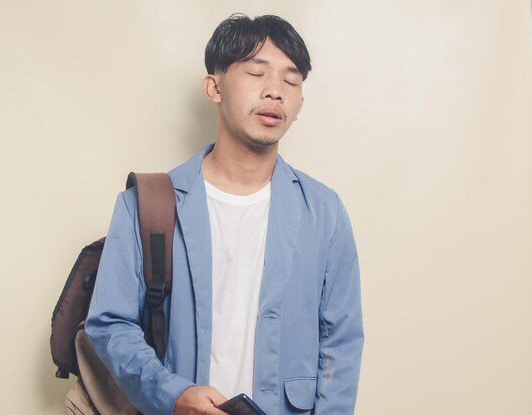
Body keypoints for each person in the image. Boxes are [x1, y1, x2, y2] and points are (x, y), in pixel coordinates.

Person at [86, 14, 363, 415]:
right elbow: (110, 323)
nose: (275, 92)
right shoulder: (146, 204)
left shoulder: (324, 211)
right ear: (214, 87)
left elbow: (341, 341)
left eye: (291, 81)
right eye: (257, 73)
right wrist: (171, 394)